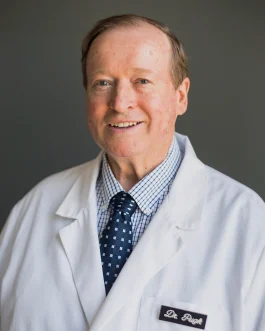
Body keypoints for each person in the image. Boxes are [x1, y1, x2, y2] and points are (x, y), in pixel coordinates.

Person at [0, 14, 265, 331]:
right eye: (103, 83)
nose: (120, 102)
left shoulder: (250, 225)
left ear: (180, 96)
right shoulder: (34, 208)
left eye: (142, 81)